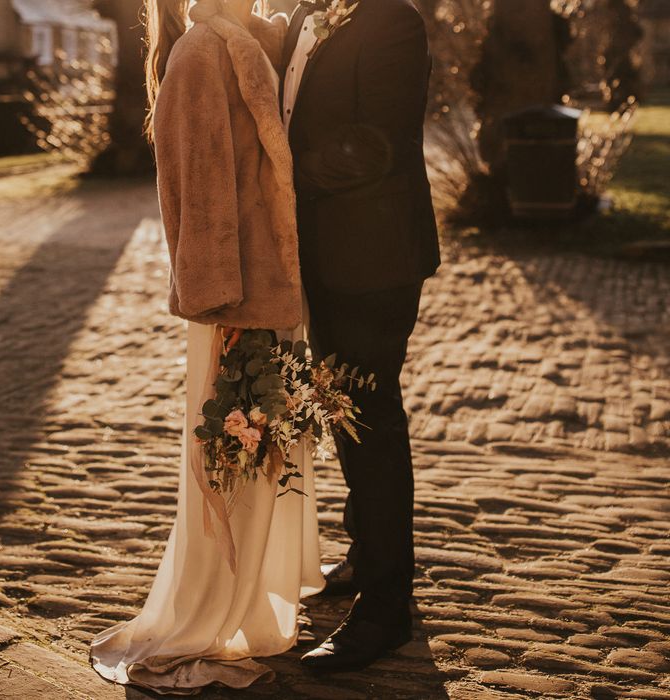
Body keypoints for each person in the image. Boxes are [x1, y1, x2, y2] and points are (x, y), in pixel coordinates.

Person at [88, 0, 325, 694]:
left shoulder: (248, 43)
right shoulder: (199, 53)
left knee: (263, 458)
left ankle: (253, 599)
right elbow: (201, 192)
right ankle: (216, 608)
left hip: (268, 294)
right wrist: (223, 307)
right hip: (234, 300)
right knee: (232, 461)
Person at [282, 0, 441, 671]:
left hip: (374, 258)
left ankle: (385, 610)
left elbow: (376, 141)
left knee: (372, 421)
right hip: (321, 255)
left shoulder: (391, 22)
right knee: (341, 413)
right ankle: (368, 553)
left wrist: (277, 175)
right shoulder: (303, 16)